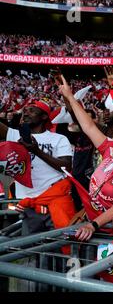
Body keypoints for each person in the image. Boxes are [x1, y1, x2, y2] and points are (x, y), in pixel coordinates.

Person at [58, 75, 113, 241]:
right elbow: (88, 126)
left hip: (112, 231)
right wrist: (69, 96)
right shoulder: (111, 150)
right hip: (90, 221)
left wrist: (93, 225)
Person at [0, 98, 75, 235]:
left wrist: (37, 151)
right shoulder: (14, 135)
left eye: (32, 110)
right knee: (32, 250)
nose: (26, 113)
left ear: (44, 116)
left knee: (58, 246)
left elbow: (66, 167)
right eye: (25, 111)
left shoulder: (59, 138)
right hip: (28, 204)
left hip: (54, 201)